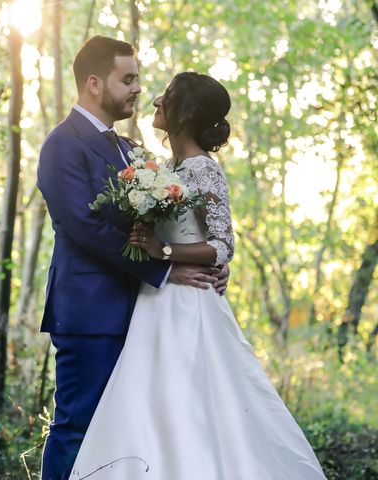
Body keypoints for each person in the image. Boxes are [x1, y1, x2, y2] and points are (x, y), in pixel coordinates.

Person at [68, 72, 327, 479]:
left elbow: (223, 244)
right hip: (154, 302)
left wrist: (163, 252)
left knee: (190, 404)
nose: (155, 100)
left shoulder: (205, 170)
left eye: (166, 96)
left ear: (184, 112)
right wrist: (145, 239)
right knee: (148, 403)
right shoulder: (163, 169)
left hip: (189, 304)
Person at [37, 38, 229, 480]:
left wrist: (212, 263)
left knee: (129, 433)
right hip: (90, 312)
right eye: (128, 79)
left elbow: (179, 223)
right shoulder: (62, 145)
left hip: (145, 314)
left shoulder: (128, 150)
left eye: (138, 78)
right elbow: (87, 229)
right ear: (93, 84)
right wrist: (166, 267)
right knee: (78, 425)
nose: (139, 88)